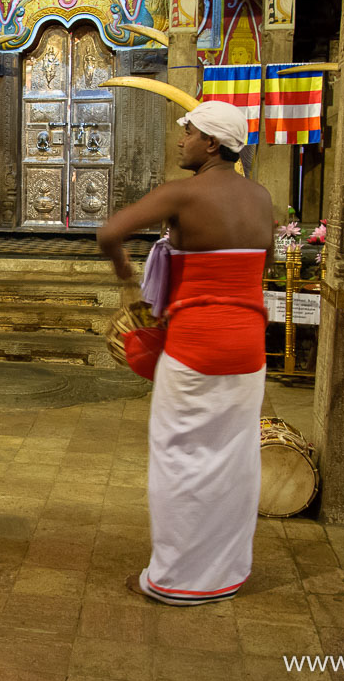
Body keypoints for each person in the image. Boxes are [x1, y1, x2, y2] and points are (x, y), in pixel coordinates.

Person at [97, 100, 273, 605]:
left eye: (189, 132)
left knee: (179, 458)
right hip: (248, 349)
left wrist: (125, 270)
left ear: (212, 143)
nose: (181, 140)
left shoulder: (183, 194)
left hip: (196, 347)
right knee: (235, 460)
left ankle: (175, 579)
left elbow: (108, 232)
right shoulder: (261, 198)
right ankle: (225, 573)